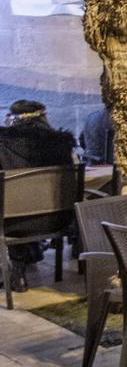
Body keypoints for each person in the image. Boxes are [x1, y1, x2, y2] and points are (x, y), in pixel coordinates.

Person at [0, 100, 76, 292]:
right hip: (58, 220)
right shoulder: (61, 142)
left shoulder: (3, 144)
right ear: (43, 117)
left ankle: (18, 270)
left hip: (14, 223)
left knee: (12, 203)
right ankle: (30, 255)